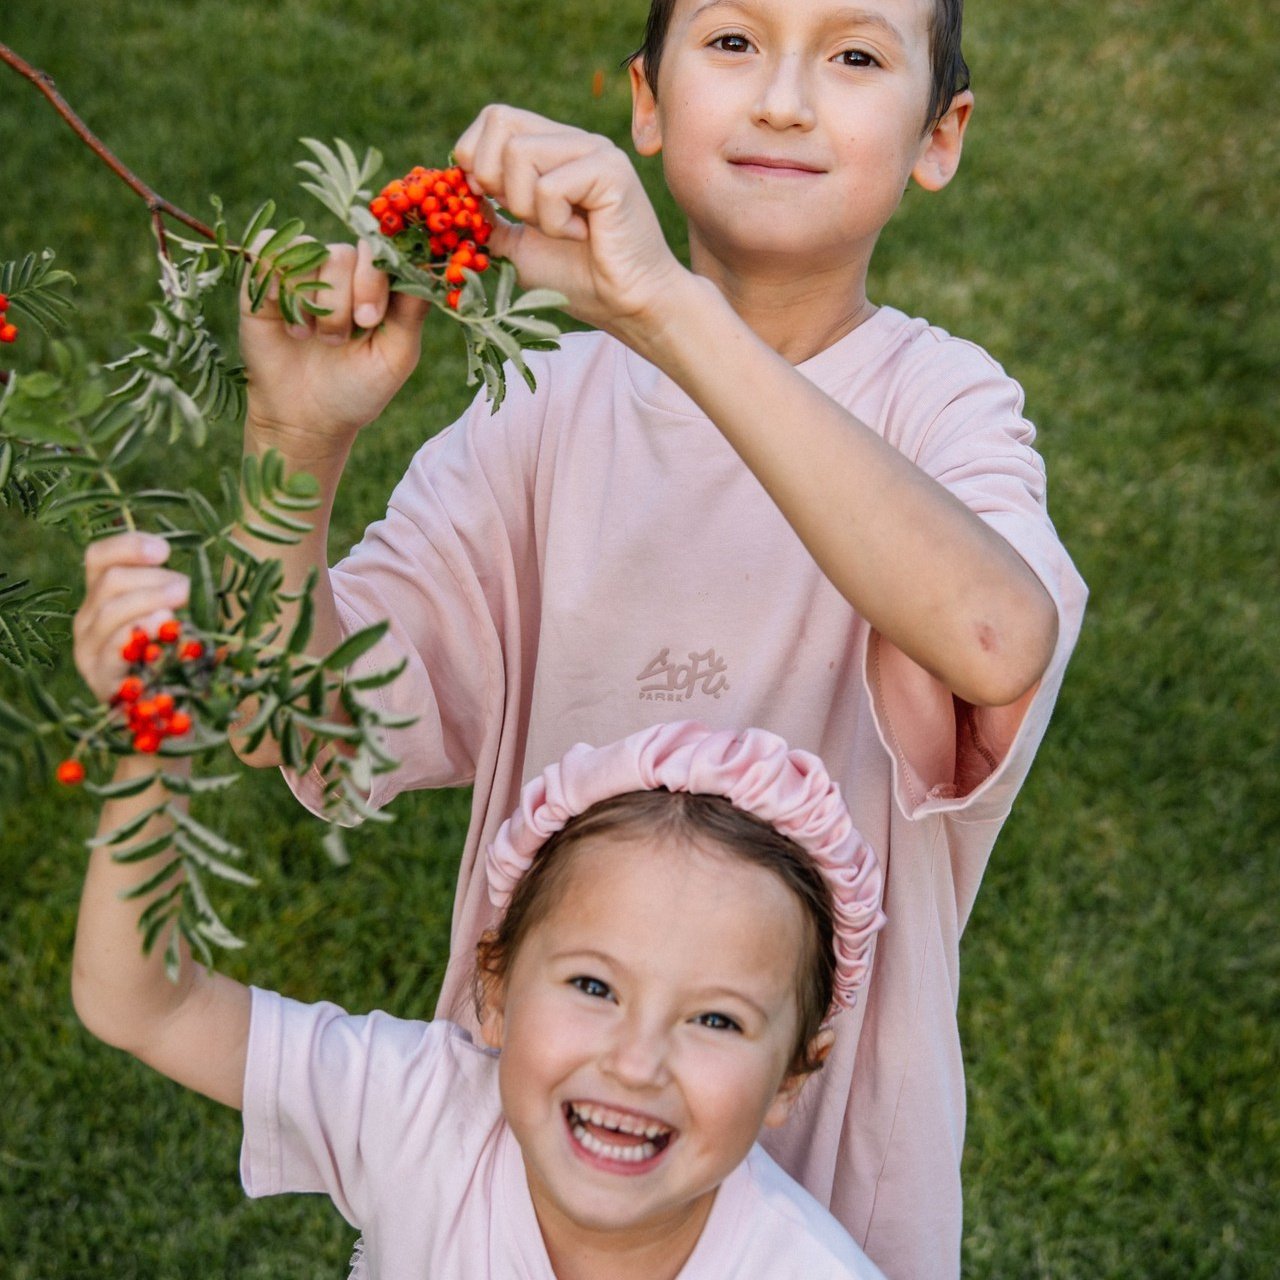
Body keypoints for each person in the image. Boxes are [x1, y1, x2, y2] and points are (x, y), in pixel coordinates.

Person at [213, 0, 1089, 1274]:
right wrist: (294, 448)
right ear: (646, 101)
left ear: (937, 134)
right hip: (532, 1171)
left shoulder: (938, 405)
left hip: (821, 1180)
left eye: (853, 56)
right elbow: (298, 720)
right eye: (732, 42)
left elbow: (992, 634)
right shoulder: (542, 415)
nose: (783, 96)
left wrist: (666, 312)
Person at [69, 554, 890, 1278]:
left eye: (715, 1018)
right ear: (493, 985)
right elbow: (147, 1002)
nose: (638, 1062)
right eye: (594, 987)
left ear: (793, 1073)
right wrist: (148, 745)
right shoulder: (420, 1112)